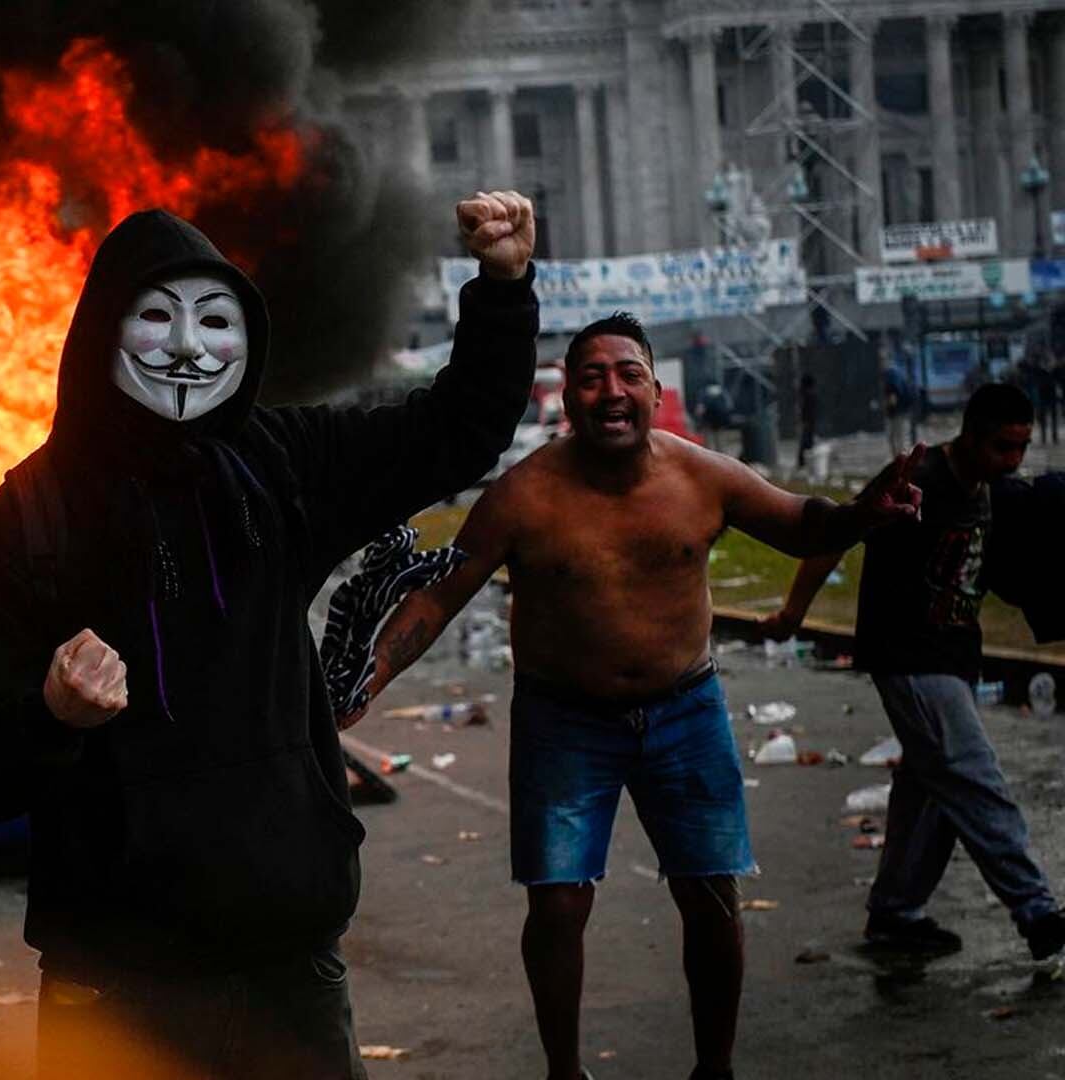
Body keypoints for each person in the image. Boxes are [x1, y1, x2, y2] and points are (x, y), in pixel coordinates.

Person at [0, 195, 539, 1079]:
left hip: (290, 967)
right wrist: (51, 713)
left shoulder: (280, 464)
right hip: (113, 986)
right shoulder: (31, 516)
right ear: (102, 334)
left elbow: (454, 434)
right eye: (155, 318)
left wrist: (504, 287)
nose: (187, 348)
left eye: (215, 320)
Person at [346, 311, 924, 1080]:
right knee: (556, 905)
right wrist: (364, 682)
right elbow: (435, 600)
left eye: (627, 375)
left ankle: (713, 1067)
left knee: (711, 898)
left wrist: (862, 514)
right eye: (590, 377)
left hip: (686, 710)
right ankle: (564, 1071)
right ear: (567, 395)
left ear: (654, 389)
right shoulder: (523, 496)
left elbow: (801, 525)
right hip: (562, 720)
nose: (610, 391)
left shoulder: (703, 476)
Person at [762, 383, 1065, 965]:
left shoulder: (991, 490)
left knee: (931, 790)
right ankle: (1038, 913)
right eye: (1003, 446)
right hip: (909, 656)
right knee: (973, 777)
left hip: (953, 656)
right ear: (970, 435)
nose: (1013, 460)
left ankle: (896, 914)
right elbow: (835, 538)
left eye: (1022, 447)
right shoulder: (917, 478)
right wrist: (794, 613)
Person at [796, 372, 818, 470]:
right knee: (807, 444)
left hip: (808, 424)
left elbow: (807, 411)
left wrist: (804, 422)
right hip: (809, 423)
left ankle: (803, 464)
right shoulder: (810, 395)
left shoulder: (808, 396)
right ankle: (806, 464)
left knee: (806, 445)